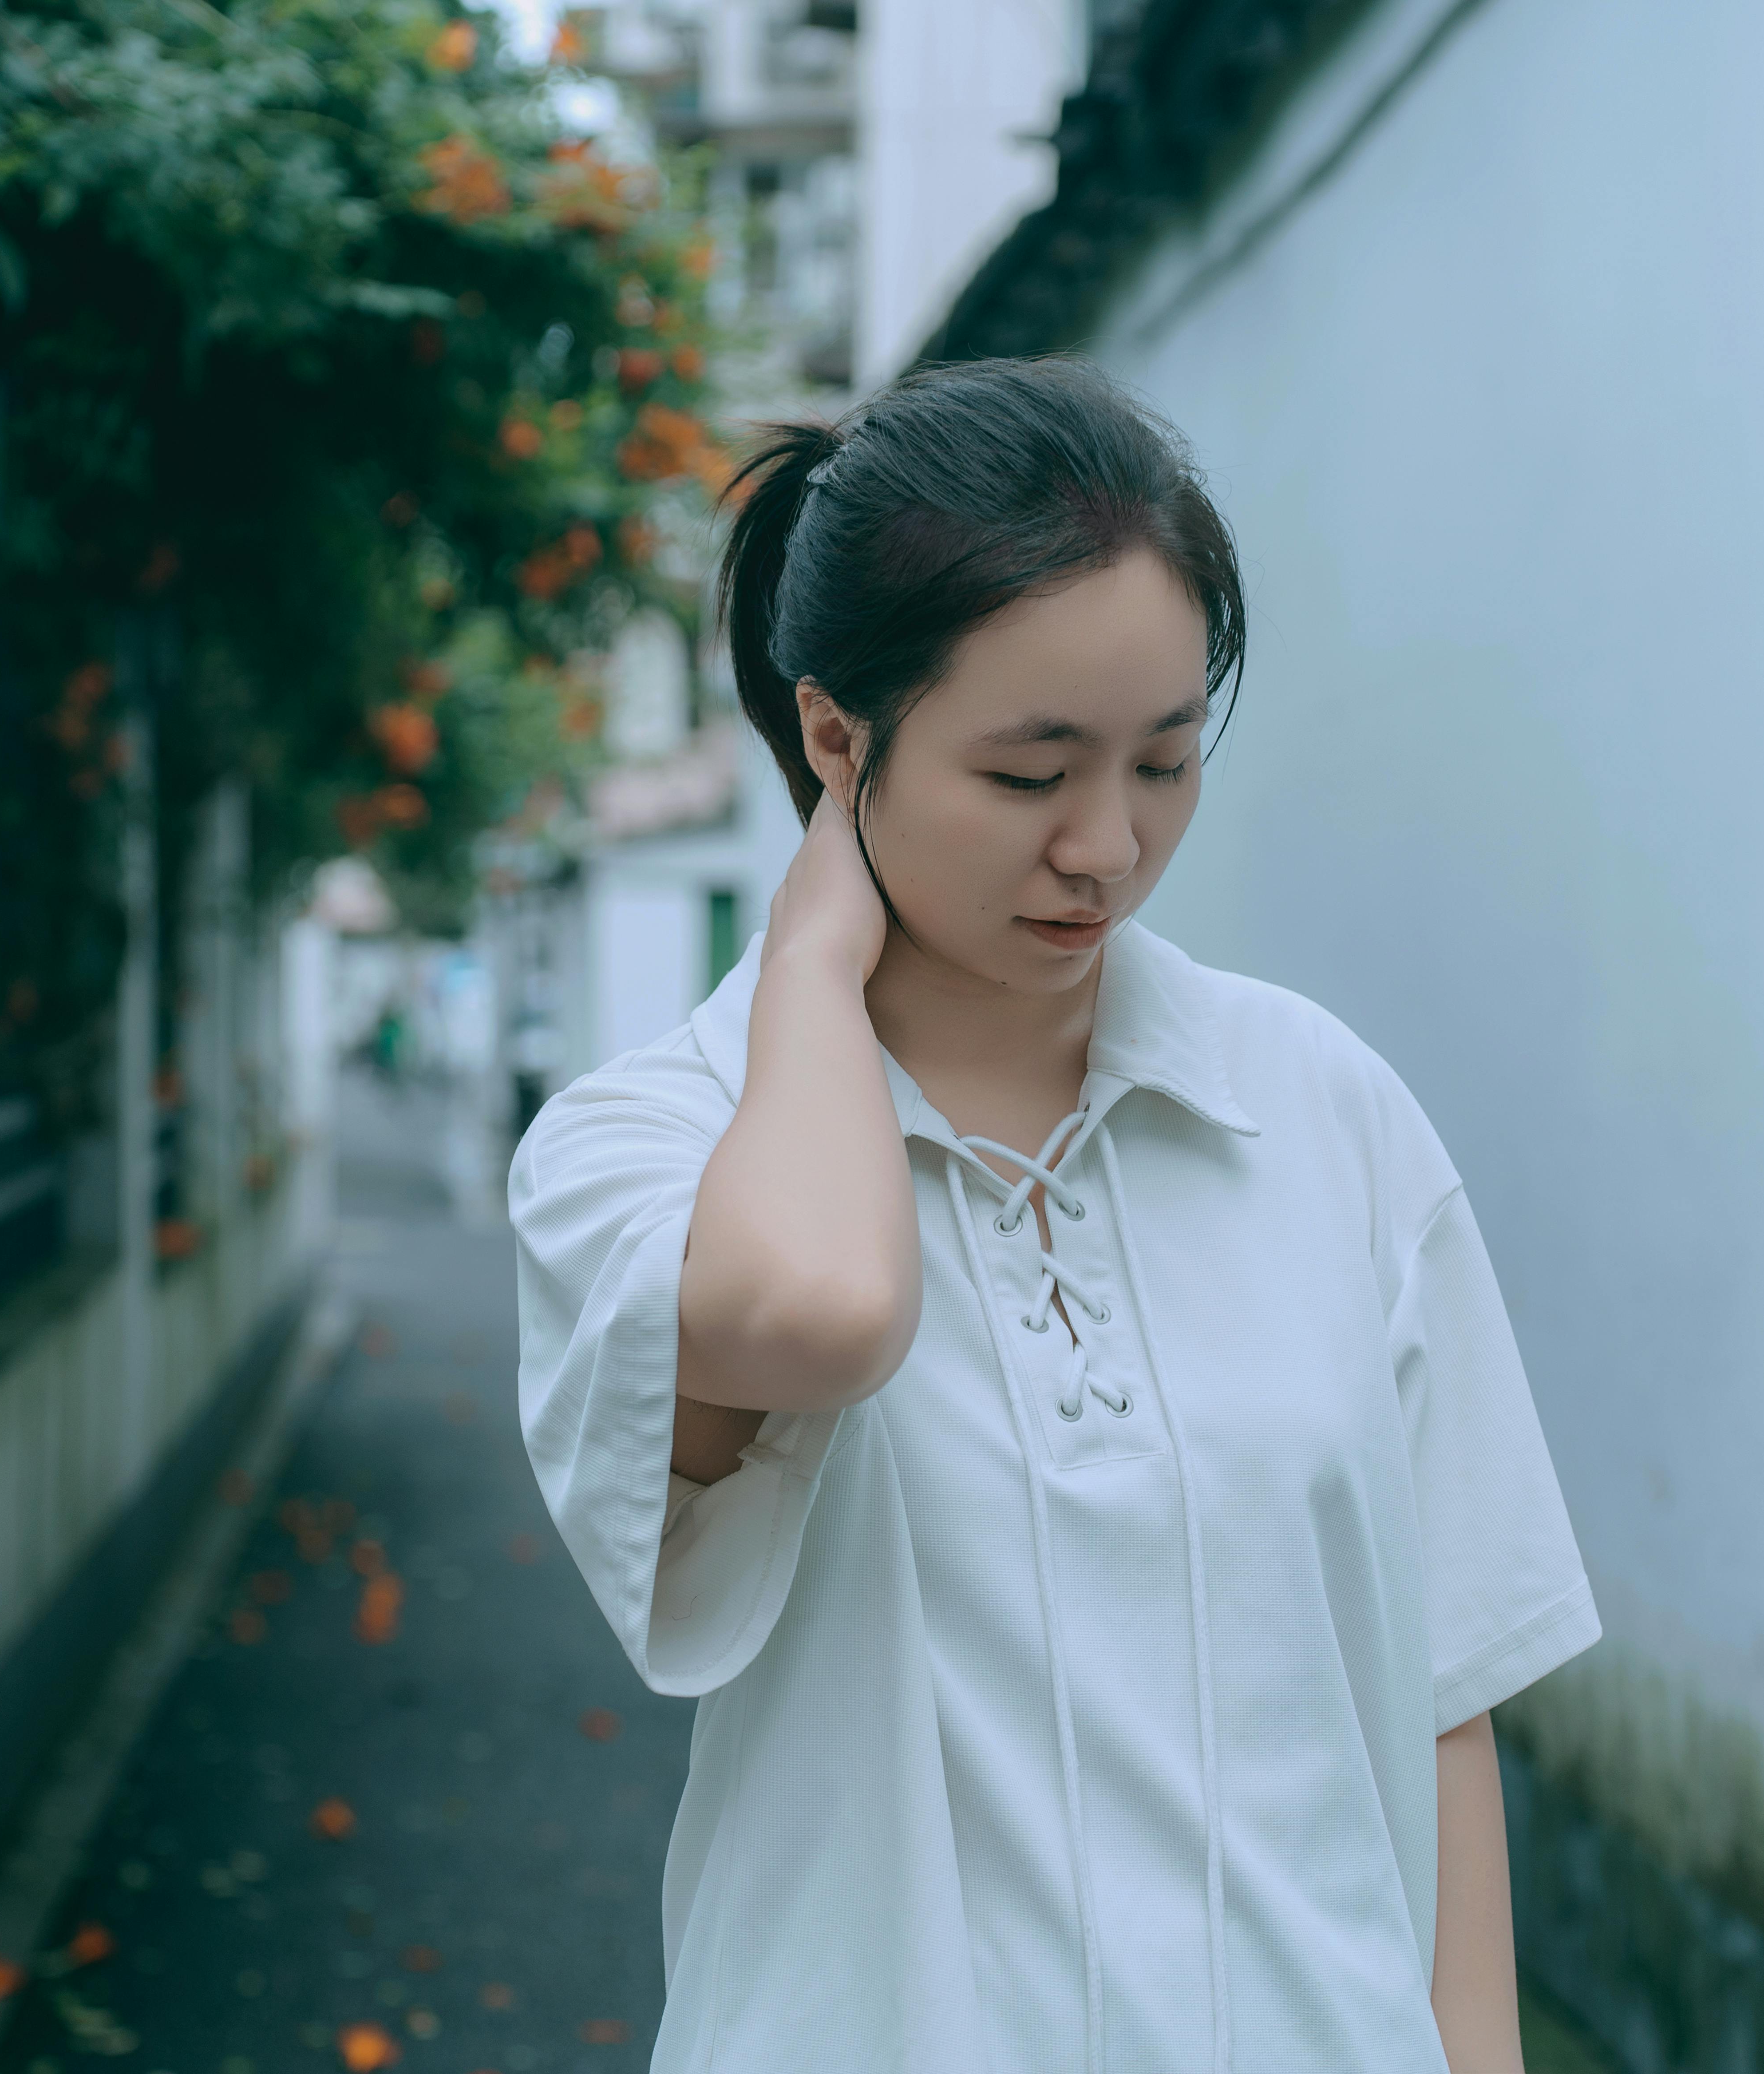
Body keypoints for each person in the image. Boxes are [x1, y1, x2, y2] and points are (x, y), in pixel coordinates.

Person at [508, 358, 1596, 2073]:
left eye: (1165, 760)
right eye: (1031, 777)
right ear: (835, 735)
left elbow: (1442, 1690)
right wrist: (810, 958)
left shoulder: (1320, 1109)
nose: (1110, 844)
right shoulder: (641, 1153)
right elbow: (820, 1312)